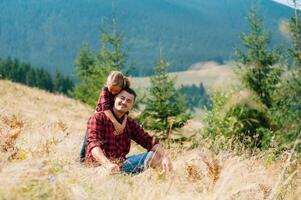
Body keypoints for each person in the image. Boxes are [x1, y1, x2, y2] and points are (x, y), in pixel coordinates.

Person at [85, 87, 173, 174]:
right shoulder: (98, 118)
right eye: (122, 98)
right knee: (105, 174)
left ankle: (162, 182)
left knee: (156, 156)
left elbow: (149, 141)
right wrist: (108, 165)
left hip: (122, 164)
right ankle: (112, 174)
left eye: (128, 101)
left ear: (131, 105)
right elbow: (93, 145)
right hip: (100, 165)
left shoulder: (129, 122)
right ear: (115, 98)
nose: (124, 102)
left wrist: (165, 157)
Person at [80, 71, 130, 162]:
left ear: (121, 88)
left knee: (107, 141)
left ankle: (112, 158)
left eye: (116, 91)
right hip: (99, 119)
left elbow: (126, 112)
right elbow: (106, 109)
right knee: (89, 138)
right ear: (107, 84)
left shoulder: (123, 93)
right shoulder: (105, 90)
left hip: (110, 120)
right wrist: (115, 123)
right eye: (111, 89)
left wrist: (122, 125)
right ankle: (82, 159)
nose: (112, 92)